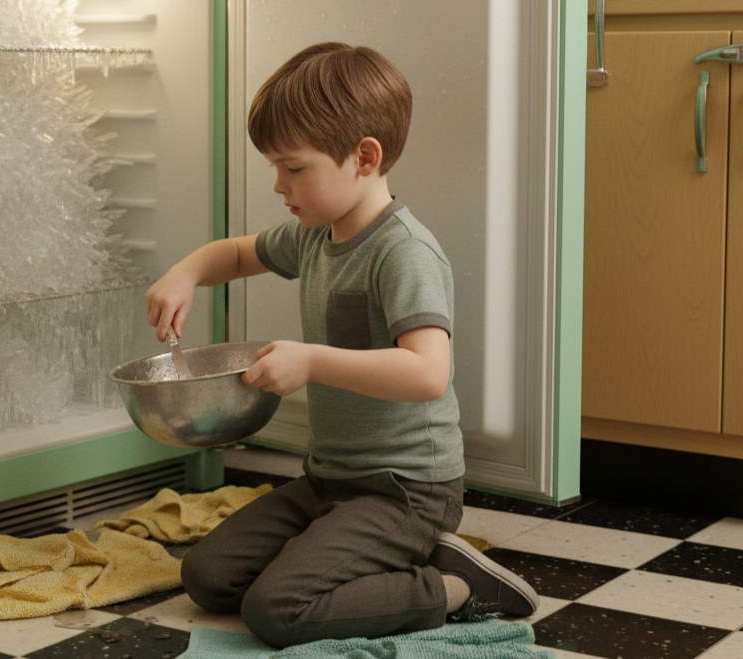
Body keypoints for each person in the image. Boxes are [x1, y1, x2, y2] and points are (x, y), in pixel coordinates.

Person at [144, 42, 538, 648]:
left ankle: (454, 586)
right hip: (329, 481)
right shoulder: (313, 236)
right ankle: (365, 555)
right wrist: (186, 272)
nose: (278, 184)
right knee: (206, 575)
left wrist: (312, 362)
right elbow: (239, 252)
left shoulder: (404, 252)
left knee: (276, 611)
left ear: (365, 157)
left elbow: (427, 373)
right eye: (275, 167)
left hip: (408, 489)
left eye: (293, 167)